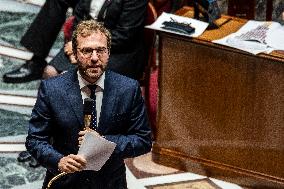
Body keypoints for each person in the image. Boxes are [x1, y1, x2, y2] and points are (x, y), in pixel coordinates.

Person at [25, 20, 152, 189]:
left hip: (109, 184)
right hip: (65, 183)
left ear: (108, 53)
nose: (94, 58)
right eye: (86, 51)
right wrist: (58, 160)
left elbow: (143, 140)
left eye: (100, 50)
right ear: (75, 54)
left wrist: (105, 143)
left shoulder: (128, 89)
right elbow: (35, 139)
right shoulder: (52, 89)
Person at [3, 0, 147, 83]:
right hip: (87, 40)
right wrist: (78, 41)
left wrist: (86, 45)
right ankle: (55, 127)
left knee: (70, 79)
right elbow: (79, 16)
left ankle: (75, 127)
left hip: (117, 51)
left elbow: (125, 35)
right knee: (50, 72)